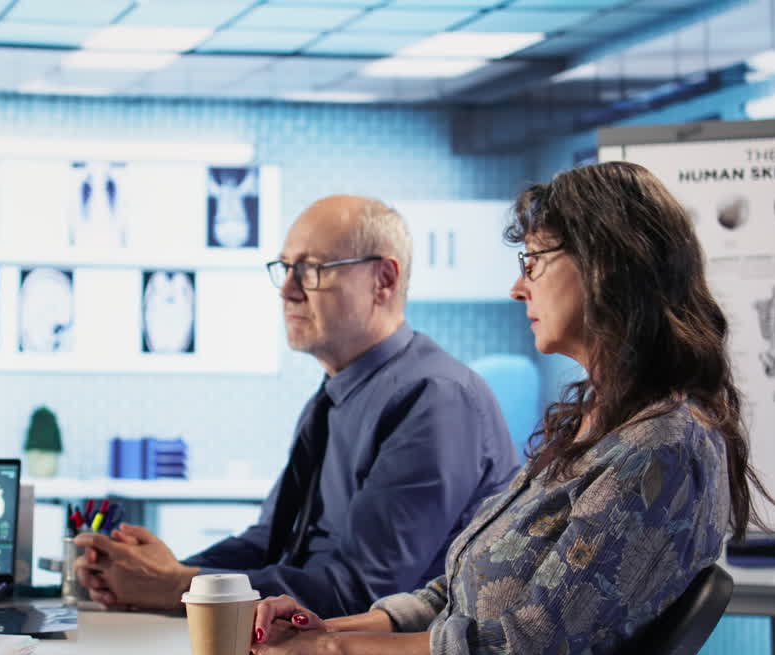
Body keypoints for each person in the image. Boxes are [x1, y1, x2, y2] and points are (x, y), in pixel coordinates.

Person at [248, 162, 775, 655]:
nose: (517, 286)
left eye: (534, 262)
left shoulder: (662, 452)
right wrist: (320, 629)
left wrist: (326, 648)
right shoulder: (593, 425)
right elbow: (448, 596)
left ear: (606, 266)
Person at [75, 195, 520, 618]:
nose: (287, 290)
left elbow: (367, 592)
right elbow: (271, 542)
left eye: (311, 269)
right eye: (285, 268)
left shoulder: (434, 399)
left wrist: (178, 585)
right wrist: (157, 573)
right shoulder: (336, 395)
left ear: (383, 279)